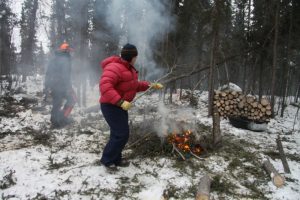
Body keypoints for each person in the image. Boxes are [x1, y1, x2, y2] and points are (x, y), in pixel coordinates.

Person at [99, 43, 163, 171]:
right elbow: (105, 86)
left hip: (120, 106)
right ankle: (107, 160)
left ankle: (116, 159)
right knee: (122, 134)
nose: (136, 59)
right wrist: (120, 102)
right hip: (111, 106)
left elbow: (134, 85)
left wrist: (150, 85)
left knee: (117, 133)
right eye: (136, 56)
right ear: (132, 57)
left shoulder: (128, 68)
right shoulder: (114, 67)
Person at [44, 42, 77, 128]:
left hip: (54, 85)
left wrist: (47, 86)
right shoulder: (65, 59)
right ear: (66, 51)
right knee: (72, 99)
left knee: (57, 103)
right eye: (69, 51)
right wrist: (69, 87)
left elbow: (47, 73)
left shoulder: (55, 58)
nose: (70, 53)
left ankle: (59, 119)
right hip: (60, 85)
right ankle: (58, 121)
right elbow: (65, 75)